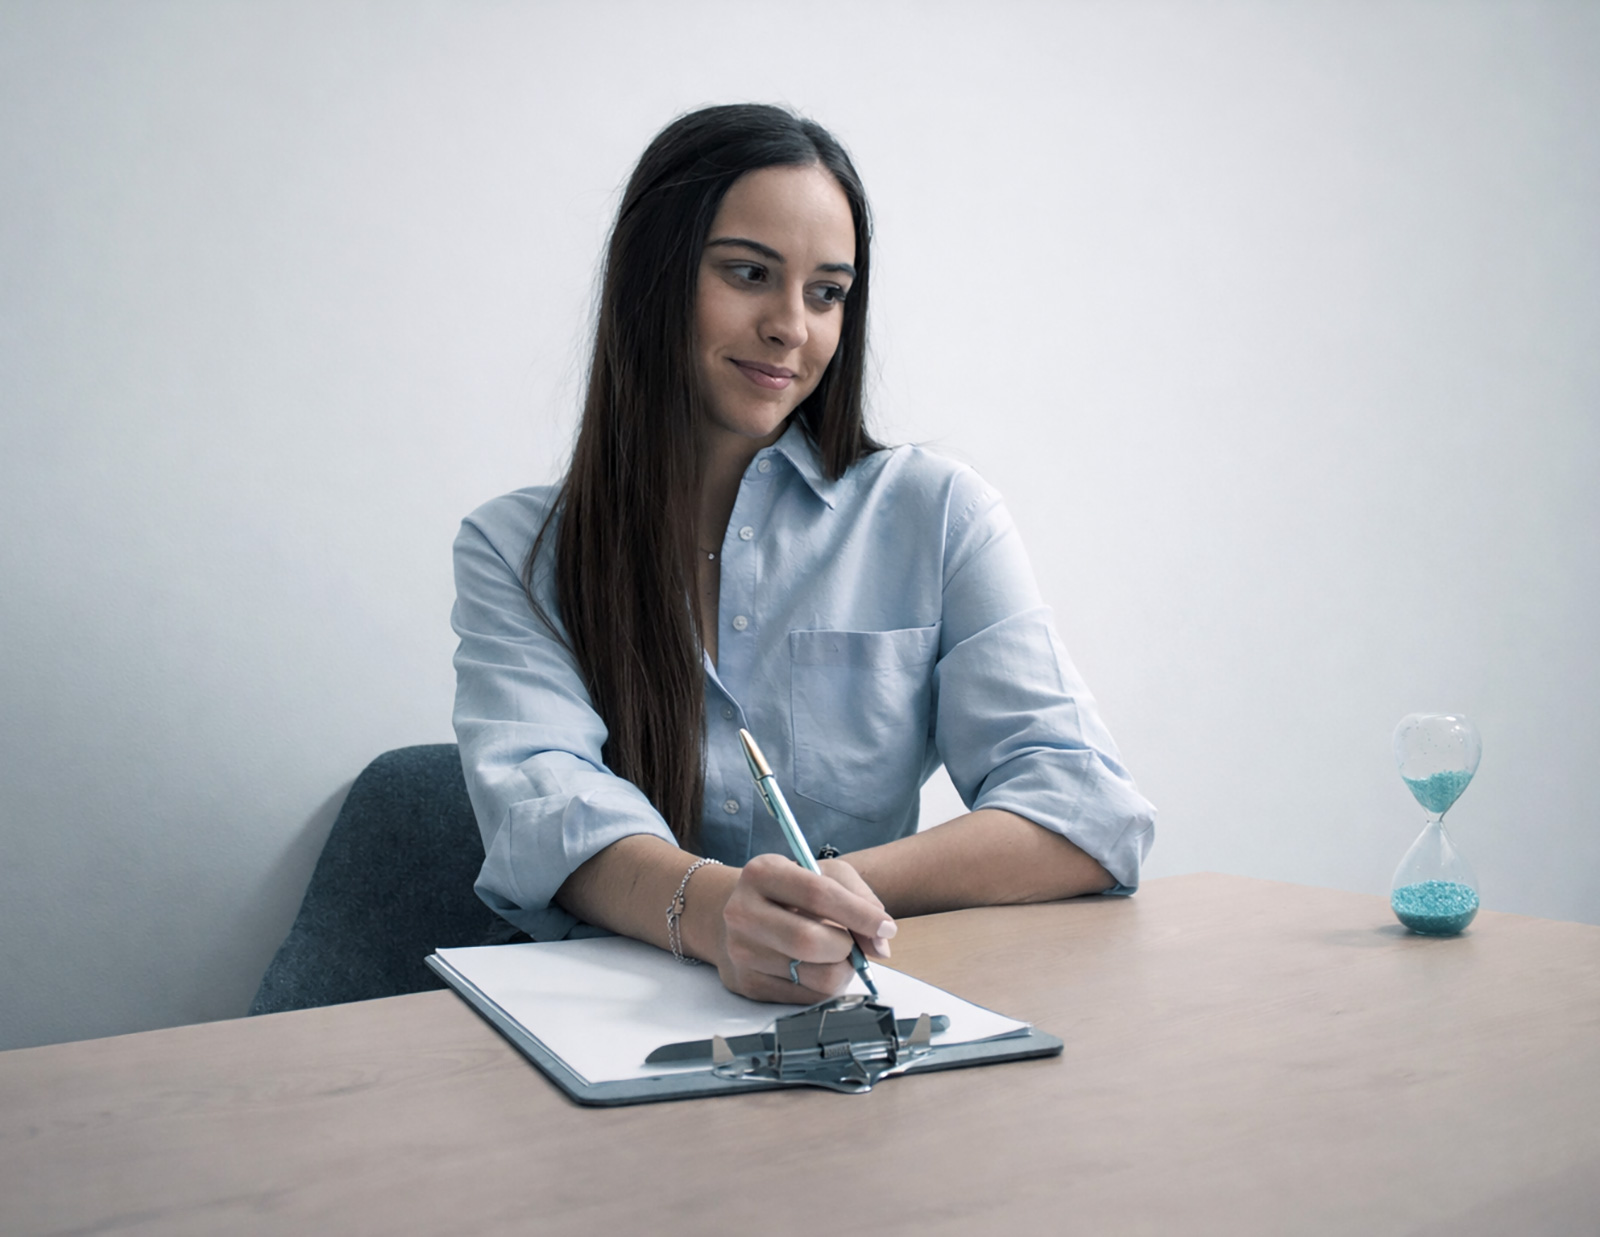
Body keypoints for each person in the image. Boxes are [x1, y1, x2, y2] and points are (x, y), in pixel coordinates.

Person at [452, 104, 1155, 1003]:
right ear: (653, 277)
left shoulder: (937, 515)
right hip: (595, 1028)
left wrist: (828, 896)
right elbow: (545, 814)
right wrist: (717, 912)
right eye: (750, 274)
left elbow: (1087, 810)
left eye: (827, 292)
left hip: (842, 1017)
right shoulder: (517, 551)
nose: (793, 326)